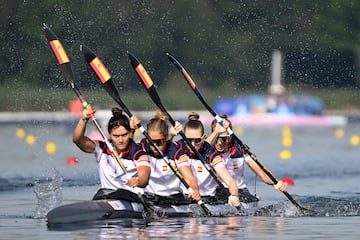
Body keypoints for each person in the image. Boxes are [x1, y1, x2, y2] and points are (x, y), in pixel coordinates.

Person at [72, 105, 151, 202]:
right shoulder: (101, 148)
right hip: (107, 197)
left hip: (131, 198)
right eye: (116, 136)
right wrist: (83, 119)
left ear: (130, 133)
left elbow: (144, 177)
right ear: (109, 134)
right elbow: (77, 139)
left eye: (124, 135)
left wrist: (138, 181)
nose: (121, 140)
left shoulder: (138, 153)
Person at [206, 114, 287, 204]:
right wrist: (216, 132)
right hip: (218, 192)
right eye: (217, 138)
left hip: (240, 191)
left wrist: (275, 182)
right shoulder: (208, 149)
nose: (219, 143)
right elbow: (200, 153)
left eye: (224, 139)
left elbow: (261, 172)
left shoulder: (240, 149)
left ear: (230, 138)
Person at [138, 111, 201, 207]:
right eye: (151, 142)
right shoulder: (141, 147)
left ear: (166, 137)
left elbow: (189, 177)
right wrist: (132, 130)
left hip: (172, 199)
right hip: (148, 199)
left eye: (159, 142)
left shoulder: (176, 151)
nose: (155, 146)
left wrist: (195, 190)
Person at [178, 112, 241, 207]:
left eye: (197, 140)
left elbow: (230, 181)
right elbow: (190, 179)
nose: (193, 145)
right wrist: (170, 135)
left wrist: (234, 196)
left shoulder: (211, 154)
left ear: (203, 138)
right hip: (186, 197)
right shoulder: (178, 148)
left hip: (208, 199)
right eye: (188, 140)